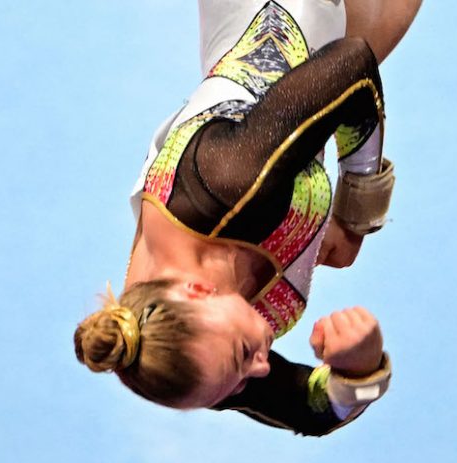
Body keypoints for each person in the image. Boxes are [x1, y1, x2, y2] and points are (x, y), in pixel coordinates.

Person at [75, 0, 422, 436]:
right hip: (309, 50)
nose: (260, 369)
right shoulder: (194, 356)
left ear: (199, 289)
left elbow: (352, 69)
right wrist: (361, 370)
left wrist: (357, 215)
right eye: (238, 380)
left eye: (244, 355)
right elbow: (308, 411)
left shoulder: (230, 187)